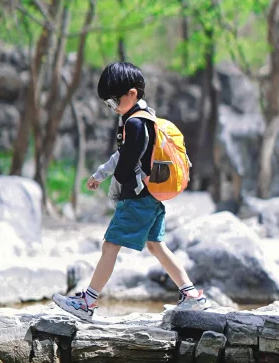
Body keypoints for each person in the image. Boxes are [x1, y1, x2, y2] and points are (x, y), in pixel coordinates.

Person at [53, 61, 210, 321]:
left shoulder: (136, 124)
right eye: (108, 104)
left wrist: (118, 184)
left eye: (113, 101)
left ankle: (87, 302)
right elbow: (123, 156)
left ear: (132, 94)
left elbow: (126, 163)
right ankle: (192, 295)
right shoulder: (142, 119)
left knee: (111, 244)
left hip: (137, 198)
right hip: (150, 196)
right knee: (156, 245)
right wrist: (101, 174)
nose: (111, 108)